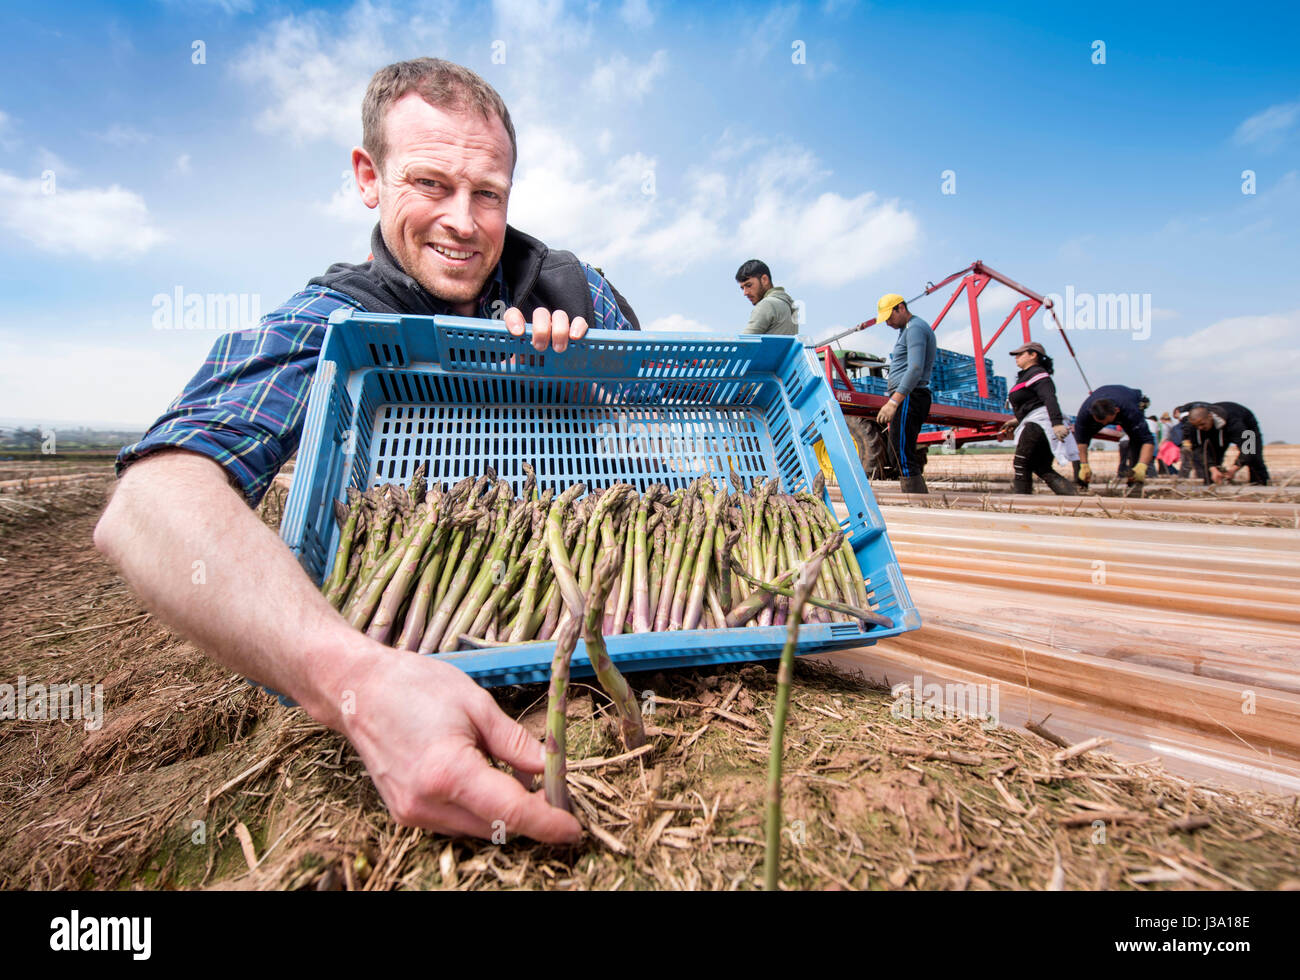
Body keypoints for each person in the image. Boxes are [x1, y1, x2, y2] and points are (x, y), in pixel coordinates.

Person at [92, 58, 651, 846]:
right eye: (430, 184)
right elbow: (151, 499)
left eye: (487, 193)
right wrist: (350, 675)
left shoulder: (574, 286)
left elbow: (668, 425)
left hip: (598, 603)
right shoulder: (335, 318)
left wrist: (586, 372)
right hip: (420, 623)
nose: (463, 219)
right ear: (369, 176)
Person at [874, 293, 936, 494]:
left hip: (911, 396)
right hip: (909, 396)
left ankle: (916, 499)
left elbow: (915, 368)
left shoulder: (915, 328)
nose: (888, 323)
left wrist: (894, 402)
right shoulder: (908, 330)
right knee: (900, 451)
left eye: (889, 318)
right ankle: (915, 496)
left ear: (900, 307)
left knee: (900, 452)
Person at [999, 342, 1077, 495]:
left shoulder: (1038, 374)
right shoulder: (1028, 375)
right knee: (1041, 466)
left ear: (1033, 355)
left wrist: (1057, 423)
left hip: (1040, 423)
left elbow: (1049, 398)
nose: (1016, 358)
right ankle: (1073, 499)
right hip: (1037, 420)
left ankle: (1021, 502)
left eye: (1020, 354)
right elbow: (1033, 403)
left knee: (1021, 463)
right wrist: (1017, 421)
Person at [1072, 385, 1154, 489]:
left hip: (1130, 400)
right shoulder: (1085, 413)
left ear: (1116, 410)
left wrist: (1142, 466)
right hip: (1104, 398)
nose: (1104, 424)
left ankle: (1135, 481)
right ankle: (1081, 482)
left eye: (1107, 421)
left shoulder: (1130, 411)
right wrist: (1084, 464)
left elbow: (1148, 441)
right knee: (1076, 443)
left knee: (1137, 439)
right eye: (1100, 422)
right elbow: (1080, 442)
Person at [1186, 403, 1270, 485]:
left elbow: (1249, 448)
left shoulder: (1235, 424)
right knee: (1210, 459)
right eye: (1197, 426)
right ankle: (1211, 486)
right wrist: (1213, 469)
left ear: (1210, 417)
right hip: (1216, 432)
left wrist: (1233, 469)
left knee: (1254, 457)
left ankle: (1259, 483)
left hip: (1247, 425)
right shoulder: (1193, 426)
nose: (1200, 428)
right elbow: (1198, 449)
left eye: (1202, 424)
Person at [735, 259, 797, 335]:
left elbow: (744, 344)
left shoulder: (767, 305)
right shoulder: (789, 305)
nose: (745, 293)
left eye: (749, 285)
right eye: (742, 288)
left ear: (764, 279)